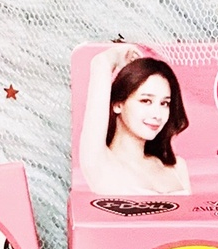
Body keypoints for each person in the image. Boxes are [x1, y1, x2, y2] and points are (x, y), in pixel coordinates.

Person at [79, 43, 191, 195]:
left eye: (164, 103)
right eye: (146, 101)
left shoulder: (177, 168)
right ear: (118, 104)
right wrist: (119, 54)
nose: (157, 114)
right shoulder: (100, 164)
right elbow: (100, 62)